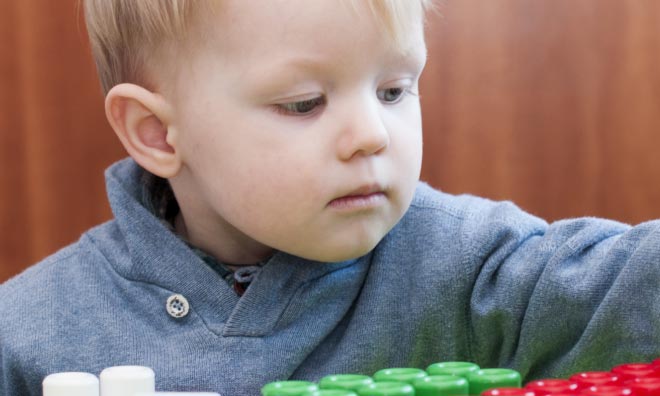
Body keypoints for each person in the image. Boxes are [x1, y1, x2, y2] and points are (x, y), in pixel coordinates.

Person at [1, 0, 659, 395]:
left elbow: (627, 284)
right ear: (157, 132)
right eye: (304, 103)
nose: (371, 135)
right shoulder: (29, 331)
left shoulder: (469, 268)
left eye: (395, 90)